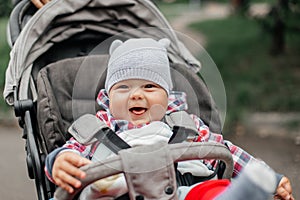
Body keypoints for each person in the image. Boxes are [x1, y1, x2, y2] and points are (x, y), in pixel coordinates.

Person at [45, 38, 294, 200]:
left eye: (150, 86)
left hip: (184, 191)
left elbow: (225, 150)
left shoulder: (186, 125)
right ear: (107, 96)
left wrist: (271, 178)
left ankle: (245, 192)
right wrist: (60, 162)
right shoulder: (95, 129)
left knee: (211, 191)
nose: (136, 95)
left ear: (167, 96)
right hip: (118, 193)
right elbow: (69, 153)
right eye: (123, 88)